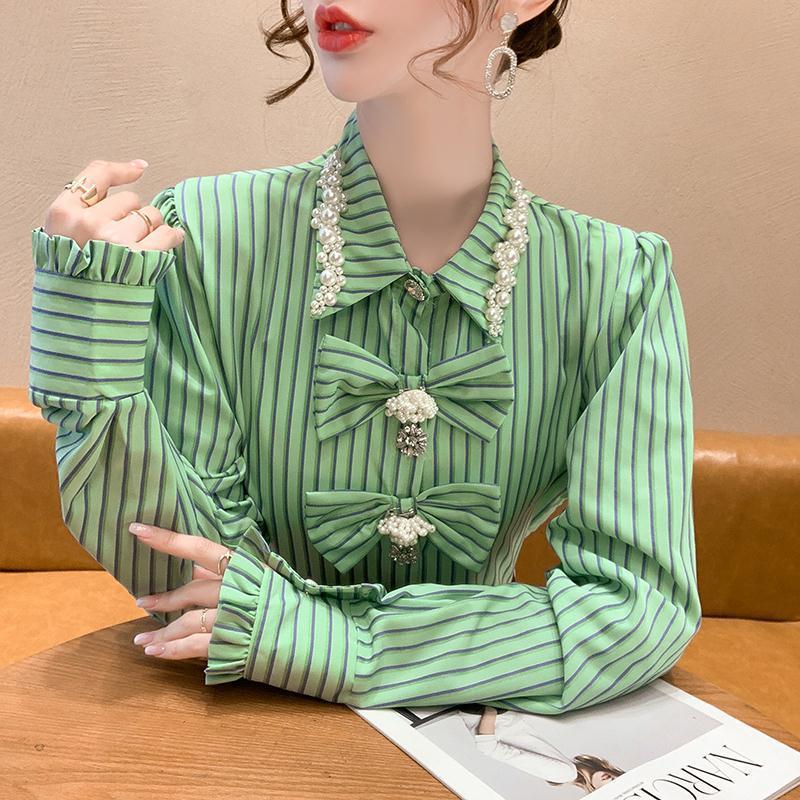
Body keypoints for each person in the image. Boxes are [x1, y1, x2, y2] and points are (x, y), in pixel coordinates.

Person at [28, 0, 701, 713]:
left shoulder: (617, 282)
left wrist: (334, 643)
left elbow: (639, 609)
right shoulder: (207, 236)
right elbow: (180, 577)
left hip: (472, 735)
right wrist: (85, 347)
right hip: (242, 726)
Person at [458, 706, 625, 793]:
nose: (611, 780)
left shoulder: (564, 773)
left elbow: (488, 747)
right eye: (619, 779)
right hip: (497, 709)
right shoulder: (570, 766)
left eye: (611, 787)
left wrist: (491, 711)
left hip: (485, 710)